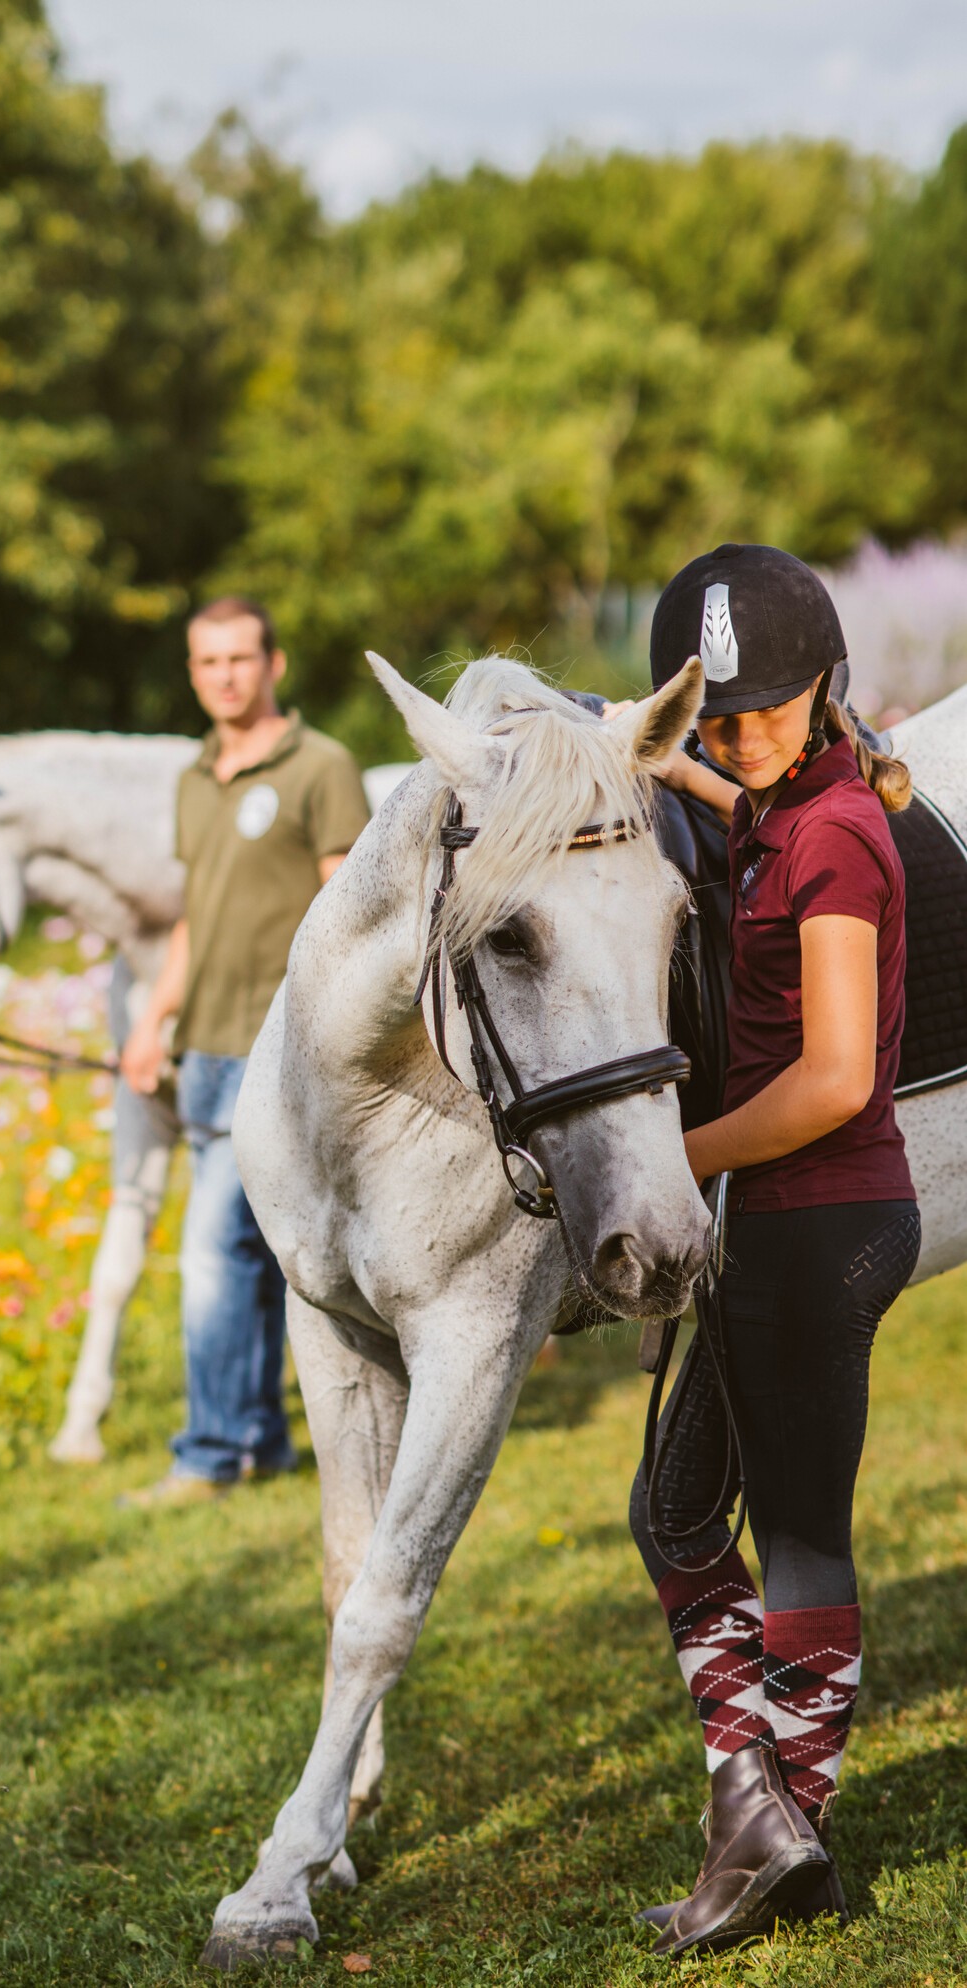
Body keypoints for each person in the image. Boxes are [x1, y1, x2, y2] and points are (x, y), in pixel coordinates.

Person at [626, 544, 919, 1957]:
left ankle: (777, 1828)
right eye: (716, 716)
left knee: (784, 1532)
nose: (743, 736)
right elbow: (733, 790)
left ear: (826, 690)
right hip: (783, 1223)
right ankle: (767, 1824)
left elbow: (834, 1078)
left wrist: (670, 1160)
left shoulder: (835, 837)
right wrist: (645, 757)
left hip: (820, 1219)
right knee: (677, 1512)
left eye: (765, 709)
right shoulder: (774, 801)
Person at [120, 596, 370, 1505]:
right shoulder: (194, 778)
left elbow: (345, 914)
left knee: (214, 1250)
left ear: (276, 664)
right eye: (206, 662)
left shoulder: (322, 767)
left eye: (239, 658)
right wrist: (153, 1021)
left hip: (280, 1051)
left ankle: (211, 1453)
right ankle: (259, 1437)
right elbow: (199, 913)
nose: (224, 675)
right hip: (206, 1048)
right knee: (254, 1251)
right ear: (192, 673)